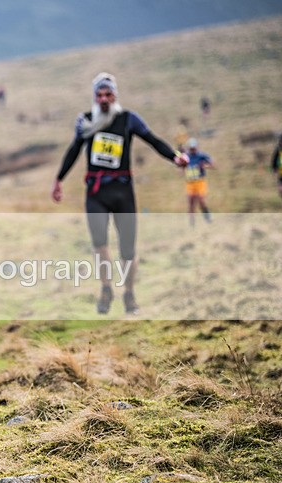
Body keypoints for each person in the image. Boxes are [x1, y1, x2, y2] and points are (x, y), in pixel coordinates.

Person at [51, 72, 188, 315]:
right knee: (99, 243)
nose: (104, 98)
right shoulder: (85, 121)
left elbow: (153, 140)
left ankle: (129, 294)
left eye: (108, 94)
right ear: (94, 97)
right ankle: (106, 289)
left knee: (128, 250)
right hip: (96, 193)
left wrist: (175, 158)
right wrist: (59, 179)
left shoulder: (128, 119)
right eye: (99, 94)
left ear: (115, 95)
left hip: (123, 192)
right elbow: (74, 150)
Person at [182, 138, 215, 225]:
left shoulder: (201, 156)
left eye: (194, 148)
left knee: (201, 200)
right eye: (191, 148)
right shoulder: (186, 157)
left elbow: (212, 165)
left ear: (196, 147)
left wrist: (204, 166)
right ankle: (192, 223)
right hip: (190, 183)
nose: (192, 150)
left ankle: (207, 217)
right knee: (190, 202)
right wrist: (183, 169)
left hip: (200, 181)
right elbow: (181, 166)